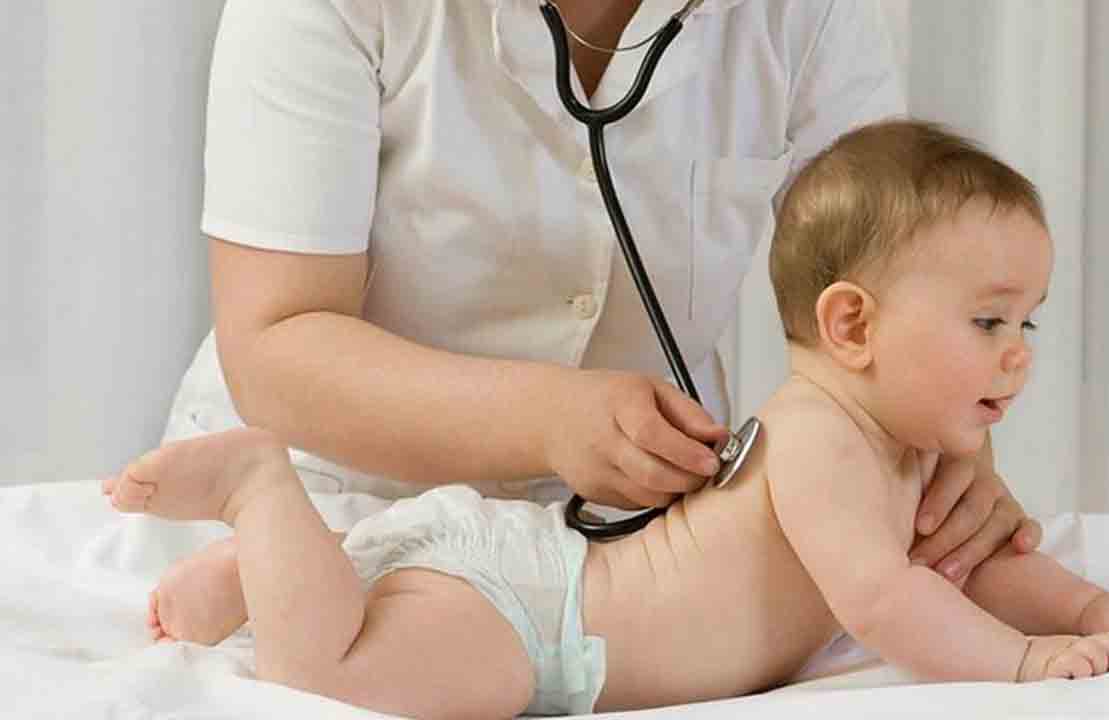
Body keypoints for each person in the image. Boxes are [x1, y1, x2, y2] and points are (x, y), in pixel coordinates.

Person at [106, 119, 1109, 718]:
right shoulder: (822, 439)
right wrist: (1018, 669)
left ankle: (258, 579)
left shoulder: (899, 450)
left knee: (362, 618)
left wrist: (1087, 606)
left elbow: (965, 569)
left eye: (1028, 322)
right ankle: (261, 493)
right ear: (852, 323)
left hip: (529, 572)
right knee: (331, 683)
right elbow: (888, 599)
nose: (1019, 353)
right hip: (537, 619)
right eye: (987, 320)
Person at [153, 0, 1040, 648]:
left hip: (646, 525)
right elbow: (277, 342)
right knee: (374, 655)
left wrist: (947, 447)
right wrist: (547, 419)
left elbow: (904, 273)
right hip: (332, 495)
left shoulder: (807, 14)